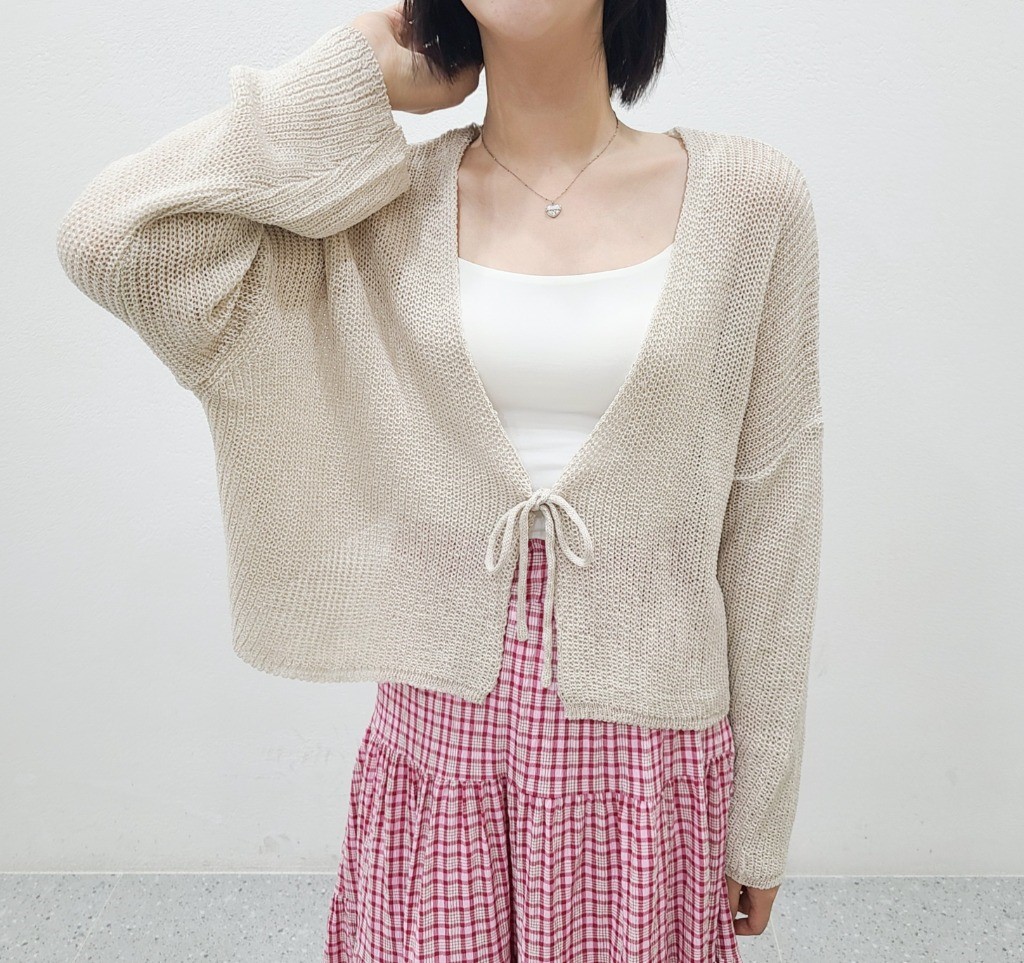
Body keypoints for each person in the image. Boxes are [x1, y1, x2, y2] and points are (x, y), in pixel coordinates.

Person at [56, 2, 824, 960]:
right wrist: (349, 79)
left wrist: (763, 817)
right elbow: (109, 241)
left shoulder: (752, 201)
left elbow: (773, 514)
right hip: (440, 762)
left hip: (649, 770)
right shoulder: (383, 206)